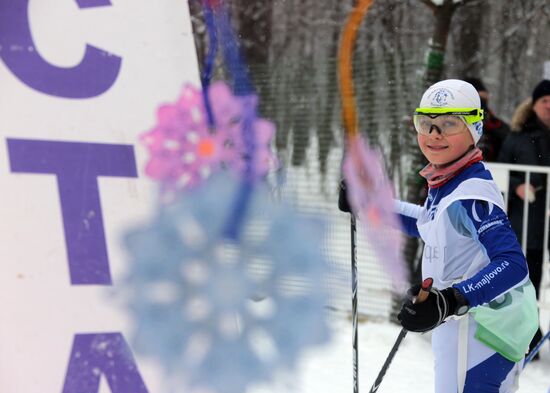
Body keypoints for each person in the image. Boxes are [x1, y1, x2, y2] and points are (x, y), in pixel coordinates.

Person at [339, 79, 538, 393]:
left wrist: (450, 300)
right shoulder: (452, 181)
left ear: (474, 128)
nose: (434, 134)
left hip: (480, 329)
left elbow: (513, 264)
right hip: (467, 324)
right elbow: (428, 222)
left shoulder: (471, 194)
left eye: (449, 123)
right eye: (426, 123)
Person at [497, 79, 550, 358]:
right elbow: (504, 174)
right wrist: (518, 185)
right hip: (527, 224)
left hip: (547, 223)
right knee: (528, 279)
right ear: (535, 103)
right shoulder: (517, 136)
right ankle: (528, 333)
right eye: (545, 101)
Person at [463, 77, 510, 162]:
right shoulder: (453, 126)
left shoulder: (497, 125)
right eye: (478, 100)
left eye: (483, 100)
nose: (482, 105)